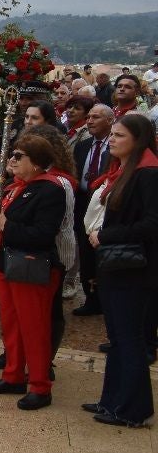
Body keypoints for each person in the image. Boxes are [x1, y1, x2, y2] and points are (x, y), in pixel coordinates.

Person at [0, 135, 70, 409]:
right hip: (7, 264)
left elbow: (43, 234)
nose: (13, 160)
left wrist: (6, 225)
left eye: (19, 156)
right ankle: (13, 374)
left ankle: (40, 386)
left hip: (32, 267)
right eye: (13, 155)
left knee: (34, 328)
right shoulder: (11, 188)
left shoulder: (50, 189)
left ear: (37, 161)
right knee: (12, 324)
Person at [83, 113, 158, 427]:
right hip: (116, 266)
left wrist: (106, 235)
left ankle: (132, 409)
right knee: (118, 336)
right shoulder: (124, 170)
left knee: (129, 338)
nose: (112, 140)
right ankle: (112, 399)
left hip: (133, 269)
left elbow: (152, 224)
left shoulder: (148, 174)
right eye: (112, 134)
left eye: (119, 135)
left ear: (138, 140)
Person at [72, 104, 114, 316]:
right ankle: (91, 297)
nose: (89, 121)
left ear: (109, 120)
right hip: (82, 203)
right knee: (86, 251)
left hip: (104, 204)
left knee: (101, 251)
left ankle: (106, 296)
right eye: (88, 117)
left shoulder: (114, 147)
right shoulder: (83, 146)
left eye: (95, 117)